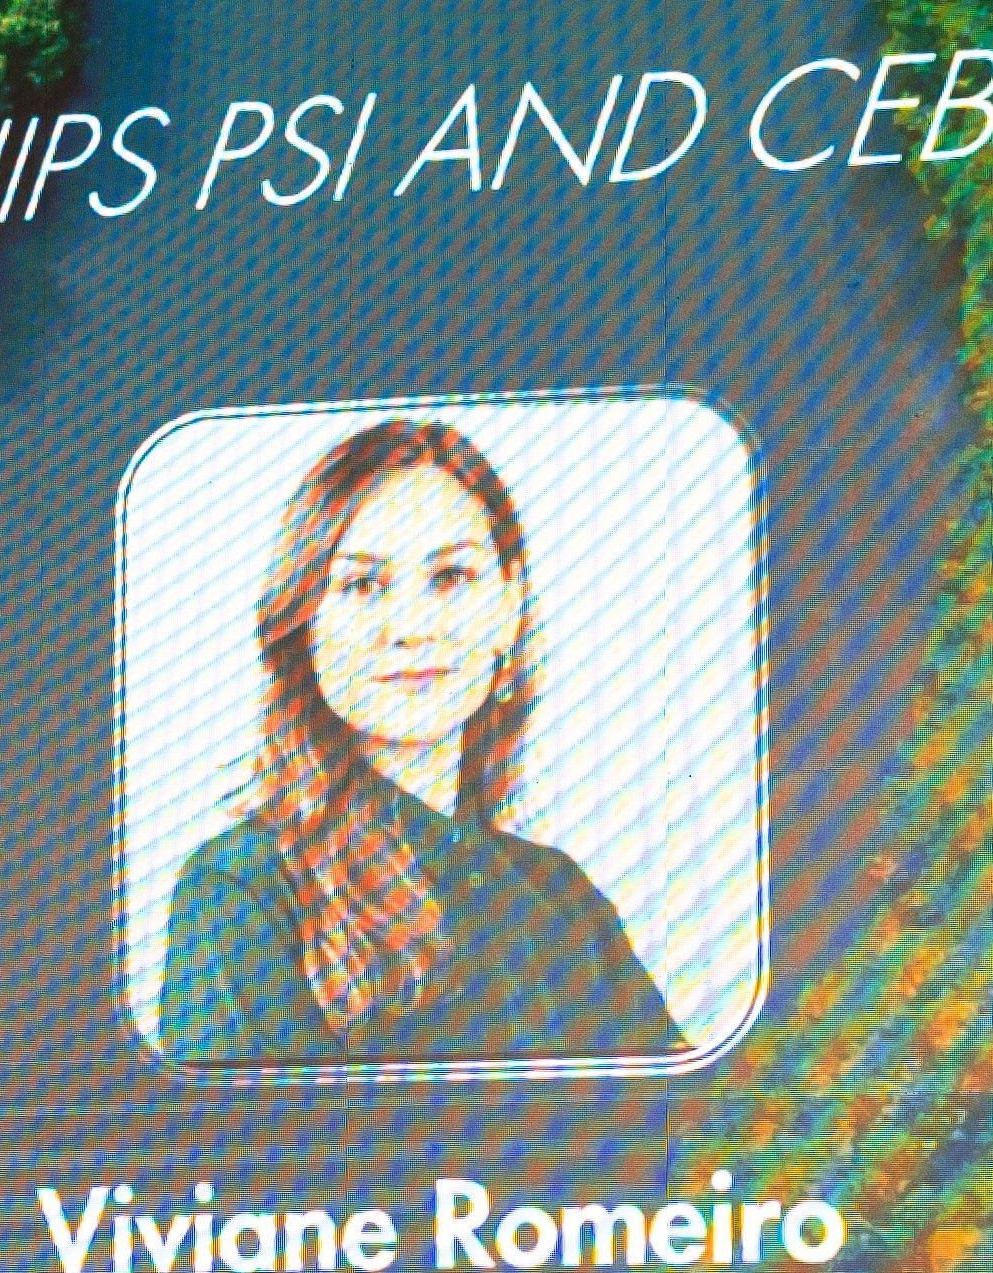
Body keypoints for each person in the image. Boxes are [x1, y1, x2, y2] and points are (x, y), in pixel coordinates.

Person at [160, 419, 682, 1067]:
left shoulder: (560, 895)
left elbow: (694, 1118)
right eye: (362, 585)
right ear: (303, 625)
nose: (411, 626)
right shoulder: (240, 890)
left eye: (451, 577)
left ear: (509, 607)